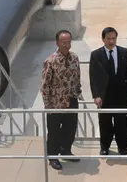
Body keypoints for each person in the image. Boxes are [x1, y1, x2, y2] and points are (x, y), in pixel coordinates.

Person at [41, 30, 83, 170]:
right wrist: (48, 105)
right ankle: (53, 157)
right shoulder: (51, 61)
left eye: (68, 42)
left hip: (71, 99)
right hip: (55, 102)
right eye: (64, 42)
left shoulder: (74, 58)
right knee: (54, 131)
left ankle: (66, 150)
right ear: (57, 43)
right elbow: (45, 85)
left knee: (70, 128)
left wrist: (78, 92)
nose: (67, 45)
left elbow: (77, 77)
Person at [89, 27, 127, 156]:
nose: (111, 41)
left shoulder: (124, 52)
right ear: (103, 39)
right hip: (104, 96)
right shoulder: (96, 55)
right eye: (108, 38)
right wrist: (96, 95)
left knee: (121, 122)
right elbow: (93, 76)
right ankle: (104, 147)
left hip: (120, 94)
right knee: (105, 122)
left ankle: (122, 147)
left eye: (113, 38)